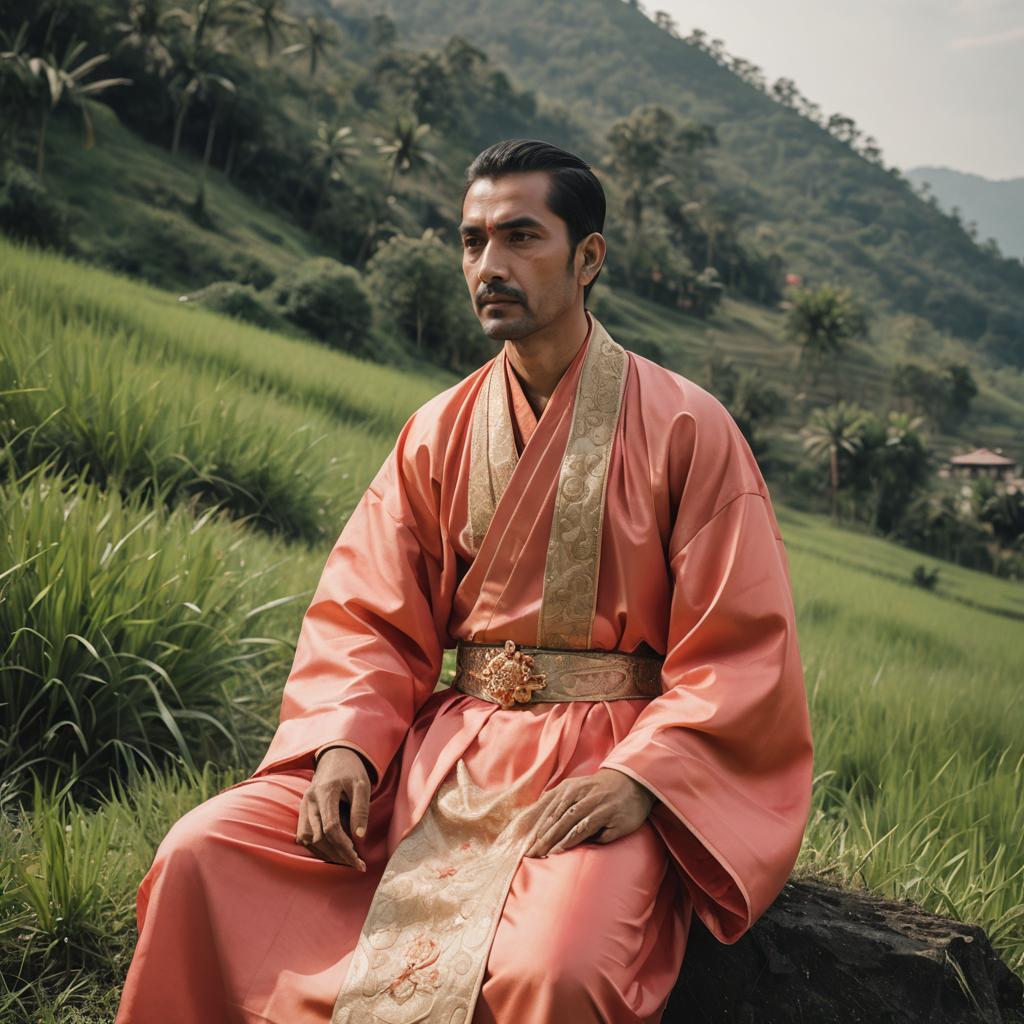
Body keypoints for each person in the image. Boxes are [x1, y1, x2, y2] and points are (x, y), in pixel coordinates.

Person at [115, 139, 813, 1024]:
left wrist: (647, 778)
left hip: (599, 770)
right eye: (473, 240)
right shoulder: (436, 430)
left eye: (521, 237)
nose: (490, 265)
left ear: (588, 257)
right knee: (201, 851)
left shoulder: (688, 428)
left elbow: (741, 649)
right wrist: (344, 746)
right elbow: (367, 615)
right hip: (434, 761)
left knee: (556, 973)